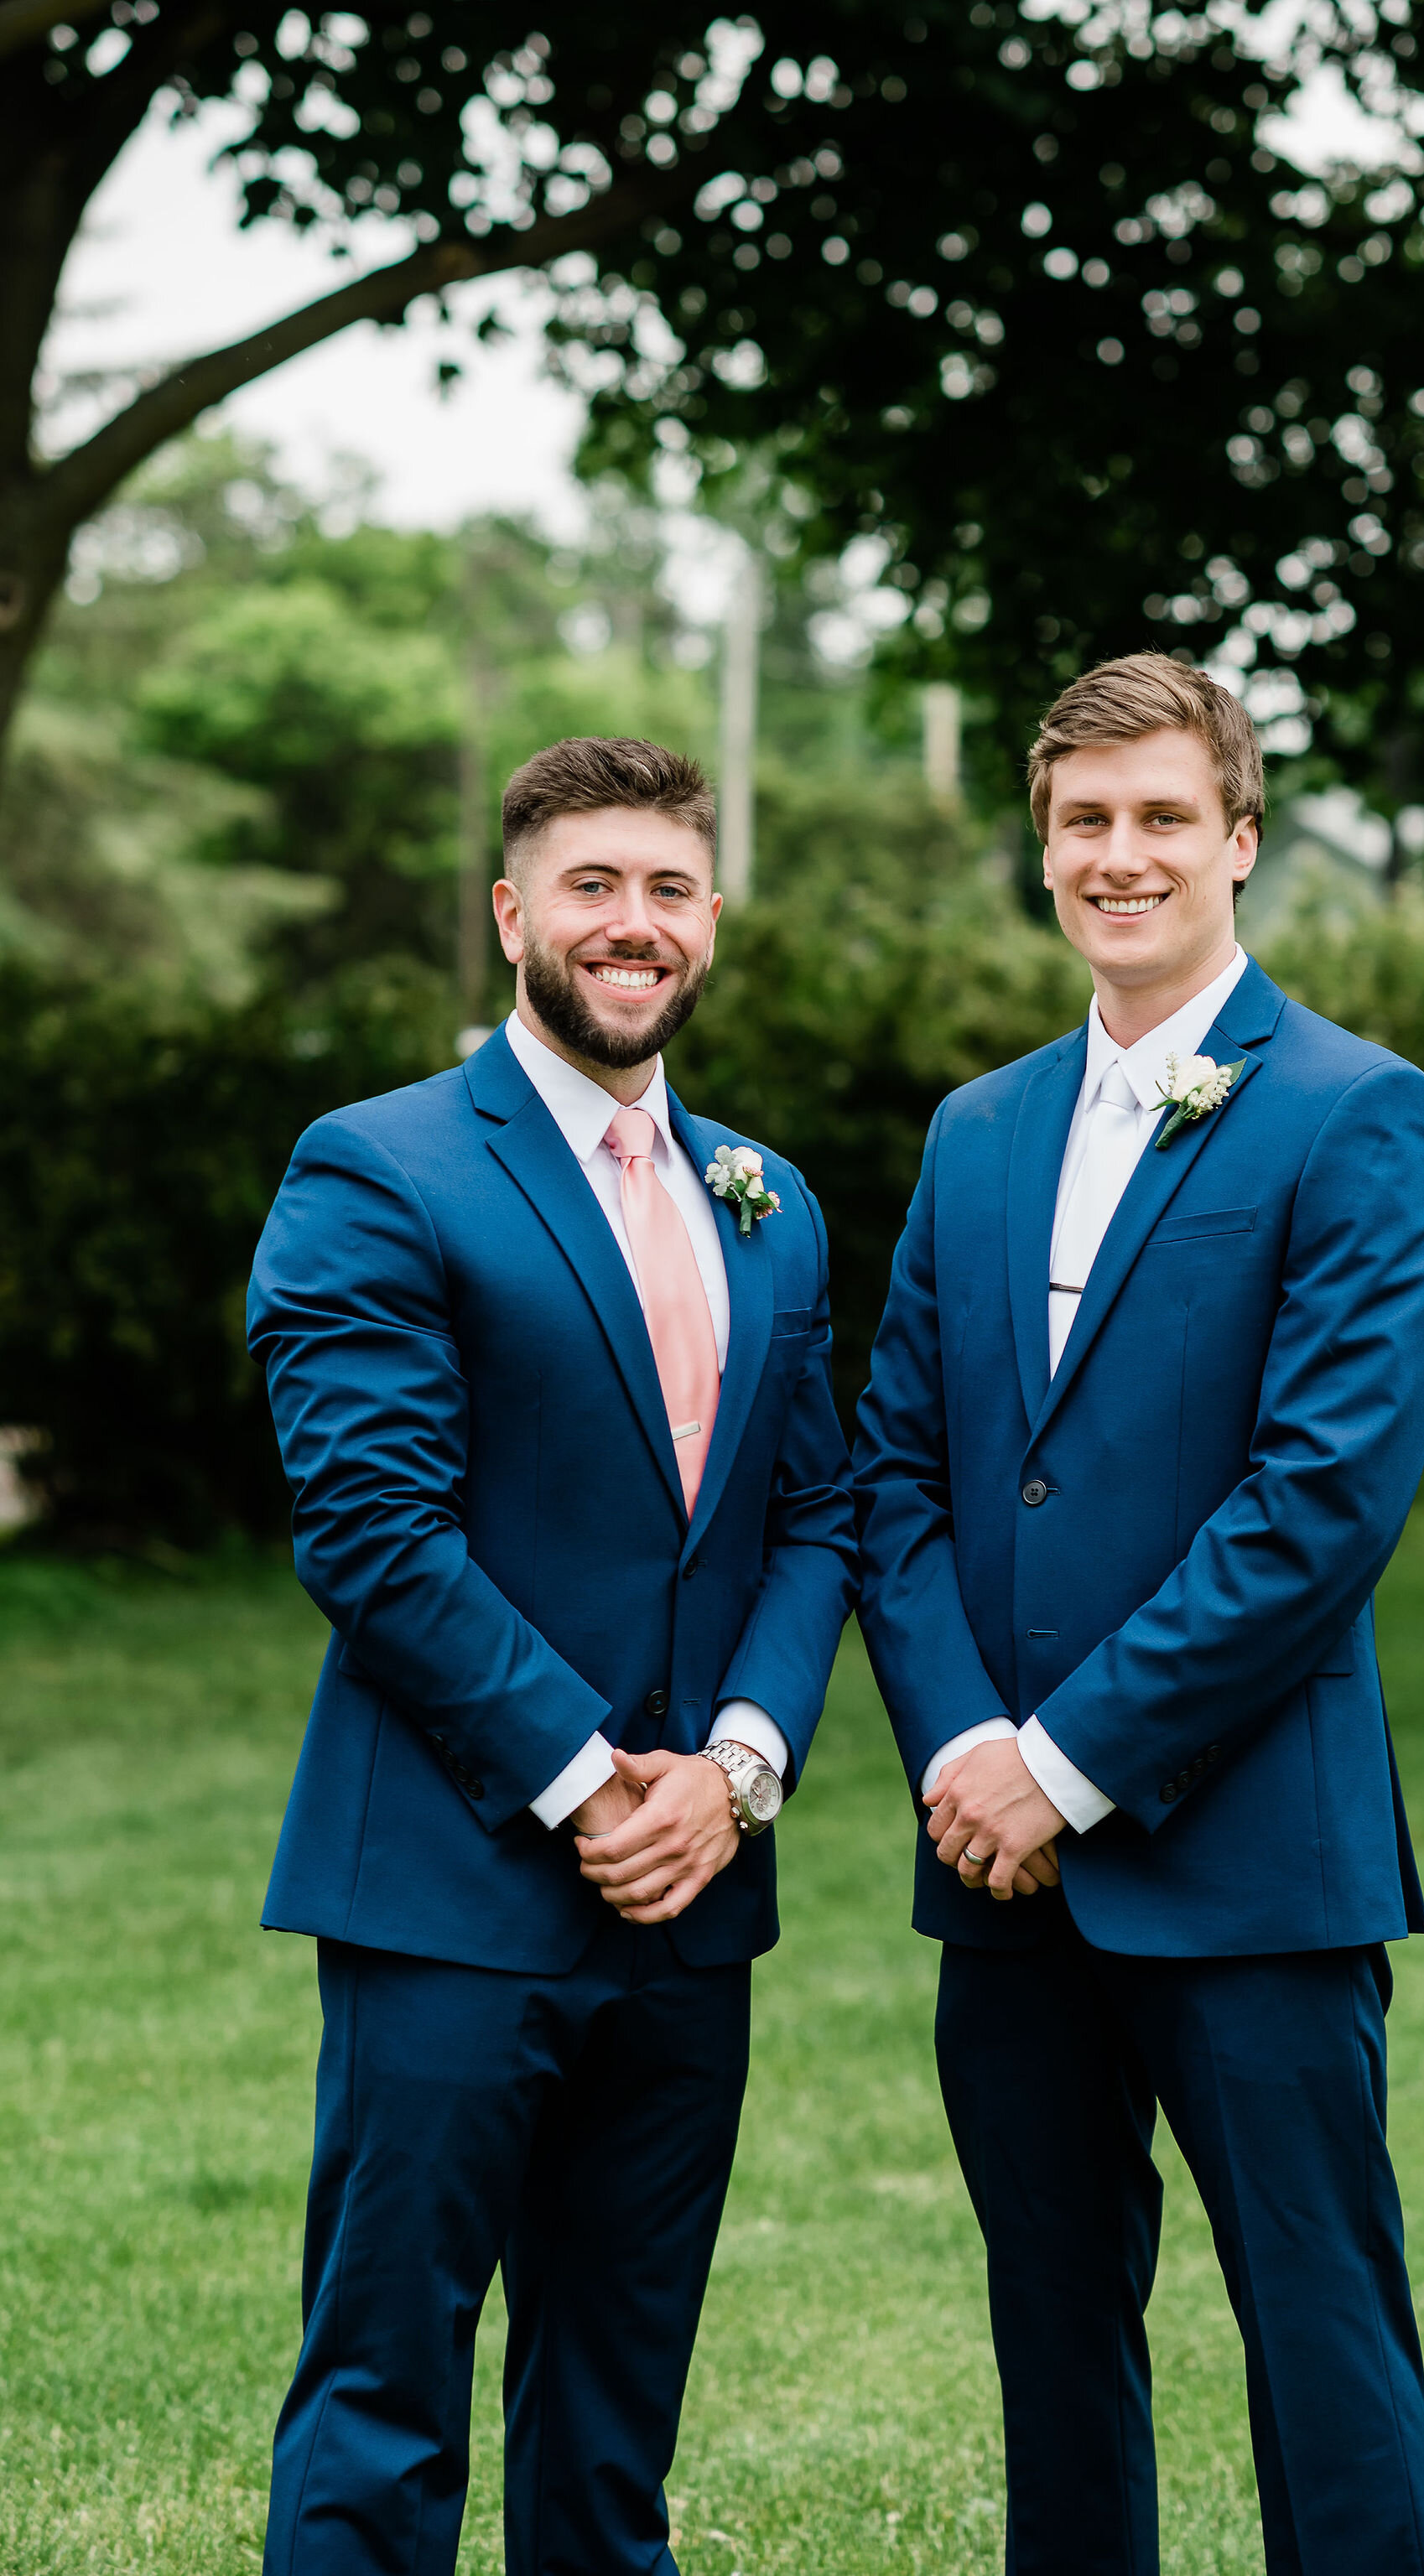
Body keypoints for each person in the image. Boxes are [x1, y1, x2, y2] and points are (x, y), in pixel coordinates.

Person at [854, 653, 1424, 2576]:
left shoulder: (1357, 1113)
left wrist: (1071, 1762)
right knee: (1052, 2344)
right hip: (1001, 1875)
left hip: (1247, 1852)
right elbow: (895, 1478)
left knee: (1321, 2342)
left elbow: (1321, 1502)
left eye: (1162, 819)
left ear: (1240, 841)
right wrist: (964, 1753)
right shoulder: (975, 1133)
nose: (1123, 857)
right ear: (1042, 853)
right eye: (1085, 823)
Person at [248, 735, 856, 2576]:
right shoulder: (379, 1168)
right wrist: (596, 1786)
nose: (633, 921)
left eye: (668, 887)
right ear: (512, 913)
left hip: (692, 1913)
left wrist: (737, 1777)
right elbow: (371, 1531)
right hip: (454, 1887)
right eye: (592, 884)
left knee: (615, 2425)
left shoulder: (768, 1193)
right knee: (380, 2406)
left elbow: (815, 1516)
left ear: (710, 923)